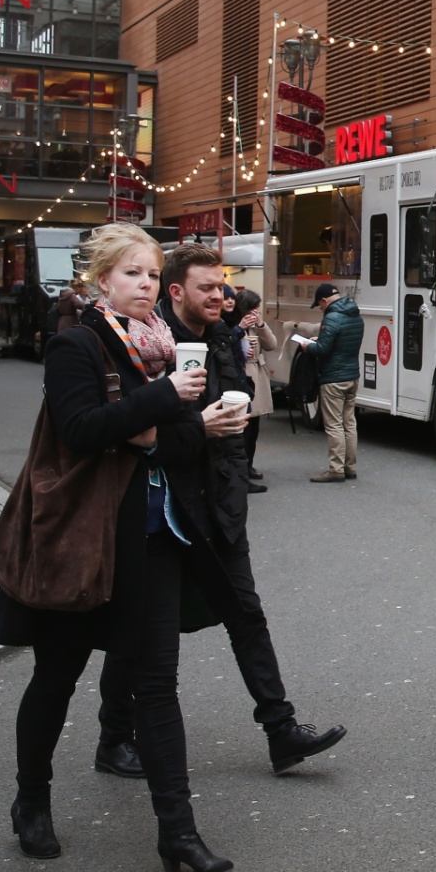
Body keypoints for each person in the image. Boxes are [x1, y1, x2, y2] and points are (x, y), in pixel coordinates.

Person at [0, 223, 238, 872]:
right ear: (103, 281)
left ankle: (177, 833)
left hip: (152, 537)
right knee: (56, 676)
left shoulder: (166, 350)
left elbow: (168, 445)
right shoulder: (77, 344)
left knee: (157, 687)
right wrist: (165, 403)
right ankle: (31, 799)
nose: (146, 285)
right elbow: (80, 429)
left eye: (152, 274)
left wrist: (201, 423)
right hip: (85, 540)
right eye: (132, 274)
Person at [94, 245, 346, 781]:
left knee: (246, 614)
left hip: (218, 502)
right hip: (163, 508)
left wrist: (232, 485)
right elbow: (136, 440)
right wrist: (196, 432)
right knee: (139, 631)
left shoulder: (225, 337)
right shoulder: (147, 341)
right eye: (209, 287)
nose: (221, 295)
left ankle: (281, 730)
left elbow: (235, 423)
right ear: (178, 291)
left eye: (224, 285)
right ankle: (114, 736)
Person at [300, 283, 362, 483]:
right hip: (352, 375)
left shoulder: (331, 317)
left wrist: (308, 346)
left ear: (324, 300)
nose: (320, 308)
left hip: (334, 378)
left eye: (319, 305)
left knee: (334, 425)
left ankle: (336, 469)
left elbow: (324, 349)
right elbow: (341, 341)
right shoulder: (355, 315)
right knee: (349, 423)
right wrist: (321, 338)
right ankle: (350, 467)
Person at [232, 289, 279, 489]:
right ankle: (241, 470)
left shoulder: (256, 326)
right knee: (243, 429)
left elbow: (272, 344)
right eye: (252, 309)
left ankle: (249, 465)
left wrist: (260, 325)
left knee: (254, 429)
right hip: (243, 375)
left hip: (257, 375)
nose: (255, 313)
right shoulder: (233, 324)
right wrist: (241, 329)